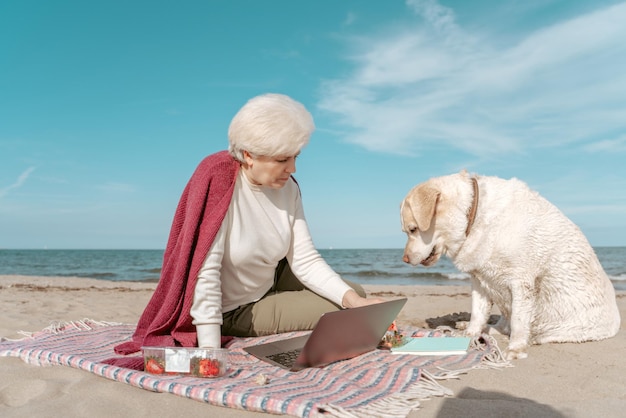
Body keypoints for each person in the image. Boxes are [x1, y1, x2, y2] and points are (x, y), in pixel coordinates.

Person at [106, 93, 382, 367]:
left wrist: (354, 300)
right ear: (248, 155)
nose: (293, 168)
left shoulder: (289, 188)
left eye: (295, 157)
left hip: (270, 277)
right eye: (282, 159)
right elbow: (205, 272)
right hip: (236, 308)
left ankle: (340, 299)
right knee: (340, 310)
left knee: (355, 295)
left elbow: (305, 259)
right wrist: (210, 352)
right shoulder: (218, 180)